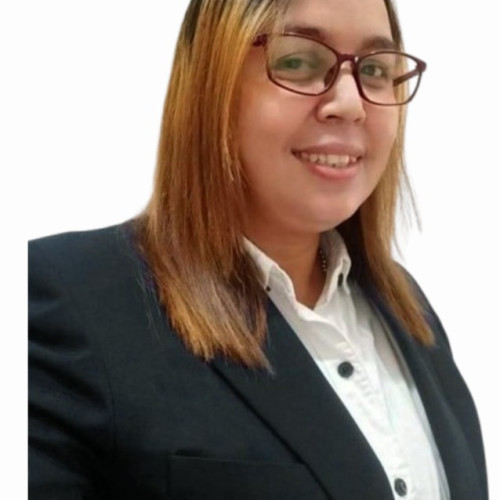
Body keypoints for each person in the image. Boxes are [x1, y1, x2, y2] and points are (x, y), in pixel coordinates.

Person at [28, 0, 488, 498]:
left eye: (375, 70)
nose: (350, 103)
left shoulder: (409, 313)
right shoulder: (66, 304)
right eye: (299, 61)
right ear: (211, 83)